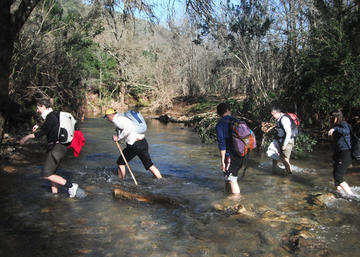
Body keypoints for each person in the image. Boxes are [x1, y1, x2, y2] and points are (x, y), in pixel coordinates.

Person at [19, 99, 79, 198]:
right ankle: (54, 195)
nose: (37, 110)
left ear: (43, 106)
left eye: (38, 108)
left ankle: (71, 186)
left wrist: (27, 137)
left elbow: (43, 132)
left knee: (46, 174)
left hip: (57, 148)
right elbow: (50, 126)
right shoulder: (53, 115)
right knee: (52, 173)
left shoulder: (50, 117)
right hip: (60, 148)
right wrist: (38, 125)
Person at [104, 108, 162, 179]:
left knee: (120, 162)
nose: (107, 119)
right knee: (149, 165)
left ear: (110, 116)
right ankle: (161, 180)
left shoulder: (117, 121)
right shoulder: (122, 117)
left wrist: (118, 138)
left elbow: (127, 129)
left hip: (135, 145)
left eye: (107, 117)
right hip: (143, 142)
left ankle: (121, 181)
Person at [215, 103, 246, 197]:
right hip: (241, 152)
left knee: (232, 180)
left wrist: (222, 161)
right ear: (228, 110)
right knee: (228, 177)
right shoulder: (236, 120)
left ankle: (237, 203)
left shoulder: (220, 124)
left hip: (230, 155)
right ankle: (227, 197)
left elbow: (222, 144)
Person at [328, 110, 355, 196]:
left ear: (336, 117)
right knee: (335, 172)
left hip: (346, 152)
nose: (330, 119)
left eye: (331, 117)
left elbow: (346, 131)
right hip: (339, 153)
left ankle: (352, 196)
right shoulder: (336, 126)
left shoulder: (343, 123)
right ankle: (339, 192)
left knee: (338, 176)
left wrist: (335, 129)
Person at [271, 106, 294, 175]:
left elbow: (289, 133)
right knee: (274, 156)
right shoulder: (279, 119)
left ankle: (289, 175)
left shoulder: (284, 119)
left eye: (273, 115)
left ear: (277, 113)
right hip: (280, 140)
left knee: (285, 159)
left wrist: (284, 144)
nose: (273, 117)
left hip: (287, 141)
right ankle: (274, 171)